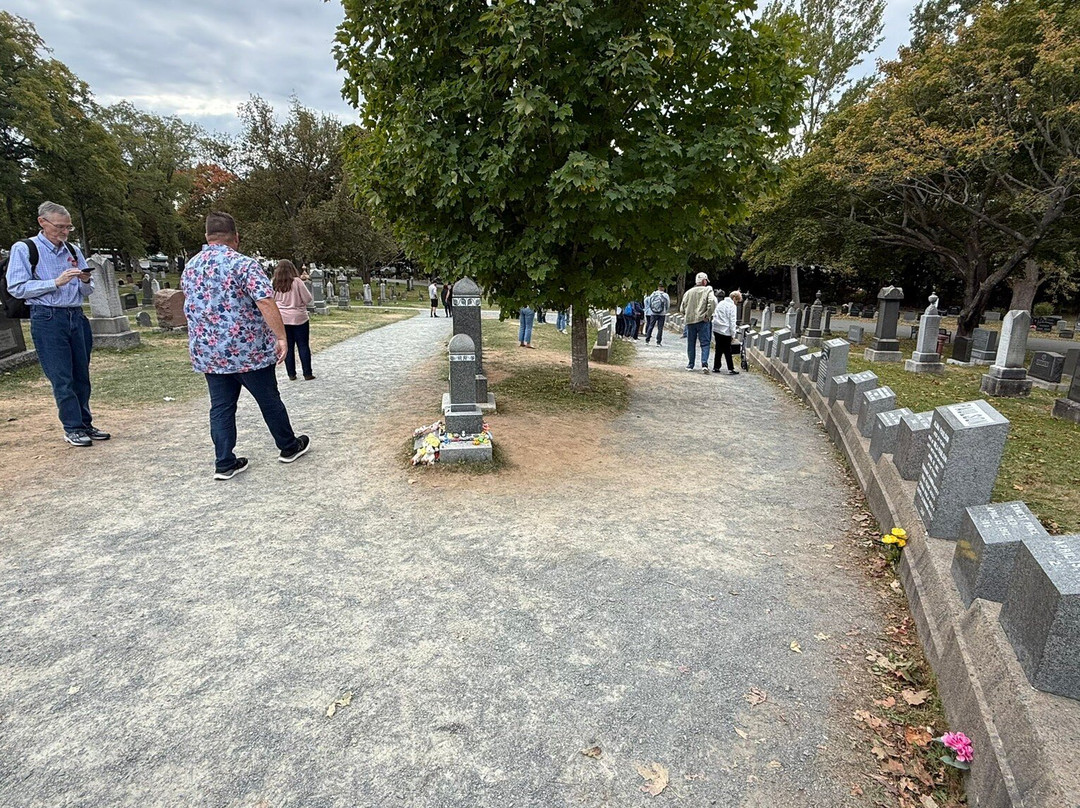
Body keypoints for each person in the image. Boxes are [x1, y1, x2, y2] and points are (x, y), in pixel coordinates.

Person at [181, 212, 310, 480]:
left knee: (221, 407)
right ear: (236, 237)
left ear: (207, 237)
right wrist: (281, 336)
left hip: (210, 352)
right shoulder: (244, 265)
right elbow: (264, 300)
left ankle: (224, 462)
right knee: (268, 399)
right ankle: (288, 446)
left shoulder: (191, 267)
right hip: (246, 350)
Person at [4, 201, 109, 447]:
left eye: (68, 227)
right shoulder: (25, 249)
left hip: (75, 315)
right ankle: (72, 427)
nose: (64, 232)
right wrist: (55, 282)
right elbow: (16, 287)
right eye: (60, 227)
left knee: (81, 375)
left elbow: (87, 289)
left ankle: (85, 422)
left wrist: (84, 280)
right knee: (62, 377)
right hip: (47, 317)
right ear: (43, 222)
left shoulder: (72, 249)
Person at [272, 259, 315, 381]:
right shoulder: (297, 282)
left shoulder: (275, 283)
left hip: (282, 318)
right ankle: (307, 373)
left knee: (288, 346)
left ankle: (291, 374)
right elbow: (307, 299)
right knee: (303, 345)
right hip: (299, 316)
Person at [679, 272, 717, 373]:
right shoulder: (708, 290)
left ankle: (690, 364)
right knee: (705, 343)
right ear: (704, 281)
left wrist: (686, 315)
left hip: (690, 321)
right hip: (703, 321)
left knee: (691, 343)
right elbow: (712, 302)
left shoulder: (688, 292)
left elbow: (682, 308)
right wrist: (708, 315)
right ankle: (704, 364)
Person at [712, 290, 742, 375]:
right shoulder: (732, 306)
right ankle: (730, 368)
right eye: (737, 301)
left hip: (717, 329)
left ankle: (716, 366)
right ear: (734, 298)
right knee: (727, 350)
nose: (736, 303)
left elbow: (716, 314)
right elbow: (732, 321)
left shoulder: (721, 303)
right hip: (726, 330)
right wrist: (733, 334)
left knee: (718, 349)